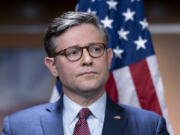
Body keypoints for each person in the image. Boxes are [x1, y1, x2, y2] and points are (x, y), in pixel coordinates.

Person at [1, 11, 169, 135]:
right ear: (53, 66)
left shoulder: (149, 127)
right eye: (73, 52)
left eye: (95, 49)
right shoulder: (18, 127)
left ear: (109, 58)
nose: (87, 60)